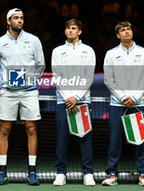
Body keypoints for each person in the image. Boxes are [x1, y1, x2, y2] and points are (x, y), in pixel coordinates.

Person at [0, 8, 45, 185]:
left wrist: (30, 80)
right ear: (8, 21)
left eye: (21, 18)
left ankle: (32, 173)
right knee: (4, 130)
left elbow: (40, 64)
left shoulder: (33, 40)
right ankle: (2, 173)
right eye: (16, 18)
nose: (19, 21)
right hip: (8, 93)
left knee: (31, 129)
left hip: (29, 92)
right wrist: (6, 82)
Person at [102, 21, 144, 186]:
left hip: (137, 104)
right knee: (115, 141)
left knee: (140, 141)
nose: (126, 32)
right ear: (118, 35)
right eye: (123, 30)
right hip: (117, 104)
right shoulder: (111, 54)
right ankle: (112, 175)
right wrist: (123, 97)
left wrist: (134, 98)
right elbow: (108, 80)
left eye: (128, 29)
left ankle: (143, 175)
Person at [51, 18, 96, 186]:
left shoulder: (88, 51)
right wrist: (67, 97)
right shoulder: (57, 51)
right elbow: (57, 76)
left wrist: (76, 97)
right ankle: (61, 173)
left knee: (85, 138)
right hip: (63, 102)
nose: (70, 31)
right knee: (62, 139)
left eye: (74, 28)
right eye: (68, 28)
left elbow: (88, 76)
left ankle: (88, 173)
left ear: (80, 31)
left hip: (83, 101)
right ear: (65, 31)